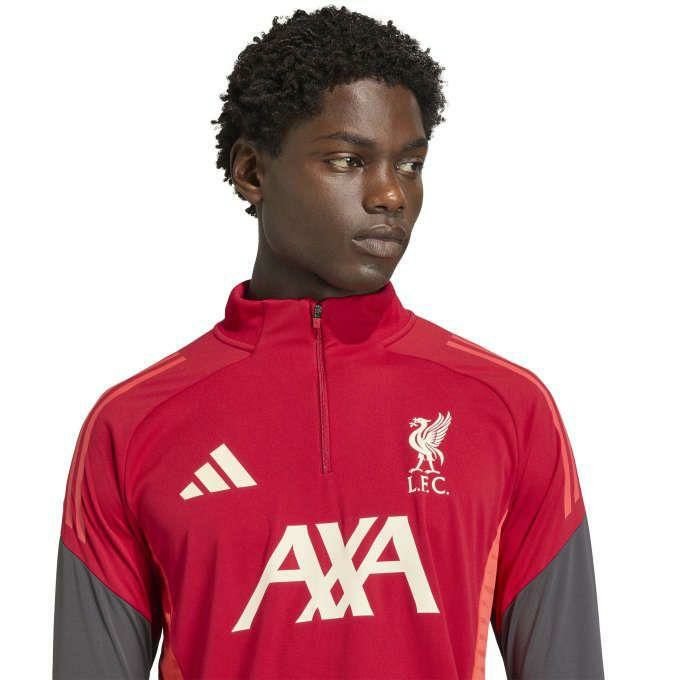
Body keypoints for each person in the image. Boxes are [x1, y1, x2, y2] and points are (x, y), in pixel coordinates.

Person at [53, 6, 604, 679]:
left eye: (411, 164)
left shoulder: (508, 409)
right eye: (348, 160)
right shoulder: (133, 426)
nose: (391, 194)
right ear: (252, 171)